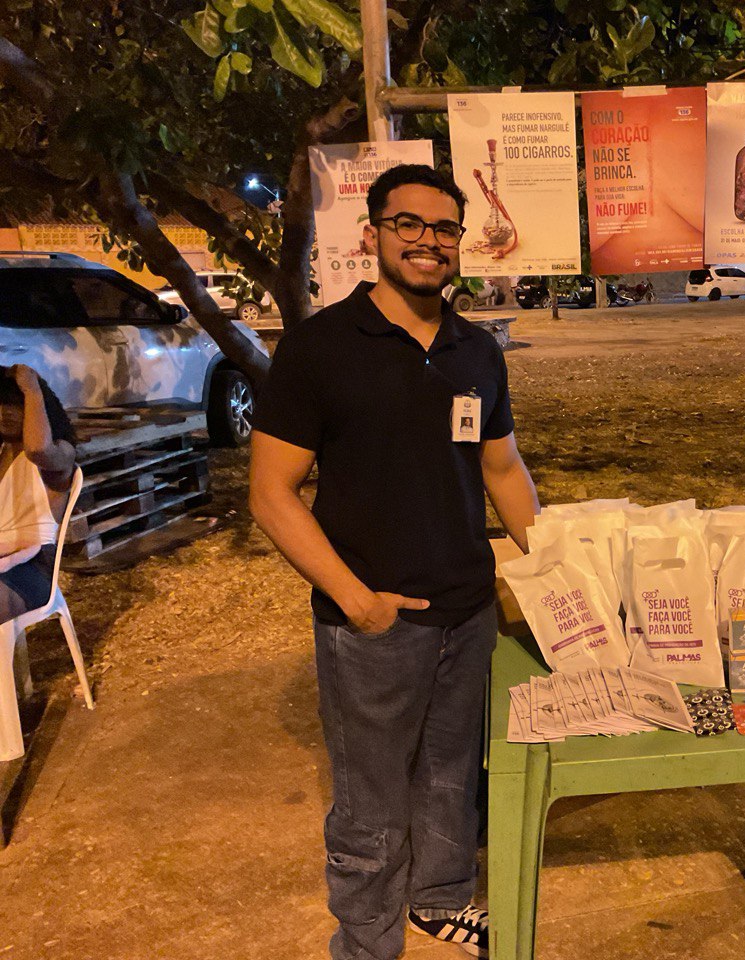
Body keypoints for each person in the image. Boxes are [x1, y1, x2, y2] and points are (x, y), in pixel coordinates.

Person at [250, 164, 540, 960]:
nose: (428, 242)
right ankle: (368, 937)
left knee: (452, 774)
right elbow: (272, 493)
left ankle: (439, 900)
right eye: (409, 224)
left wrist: (555, 567)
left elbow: (502, 470)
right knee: (370, 798)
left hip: (467, 609)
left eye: (444, 230)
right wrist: (356, 599)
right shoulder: (320, 349)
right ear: (372, 233)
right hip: (371, 621)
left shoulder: (475, 349)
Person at [1, 365, 77, 761]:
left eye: (13, 405)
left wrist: (31, 390)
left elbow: (38, 448)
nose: (5, 413)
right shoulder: (1, 456)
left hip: (33, 577)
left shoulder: (58, 454)